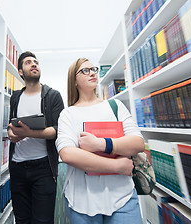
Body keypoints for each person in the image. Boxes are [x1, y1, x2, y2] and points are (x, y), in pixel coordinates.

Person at [55, 58, 145, 224]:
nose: (92, 73)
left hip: (122, 196)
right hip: (81, 199)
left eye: (93, 69)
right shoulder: (68, 114)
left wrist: (100, 144)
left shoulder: (115, 105)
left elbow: (138, 143)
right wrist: (117, 166)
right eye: (85, 70)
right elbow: (68, 154)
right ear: (74, 81)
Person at [8, 51, 64, 224]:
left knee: (42, 221)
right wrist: (11, 133)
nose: (34, 64)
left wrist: (28, 133)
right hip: (17, 168)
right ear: (20, 71)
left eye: (36, 62)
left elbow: (57, 130)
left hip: (43, 169)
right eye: (28, 62)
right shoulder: (15, 97)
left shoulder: (53, 96)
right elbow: (11, 125)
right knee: (22, 219)